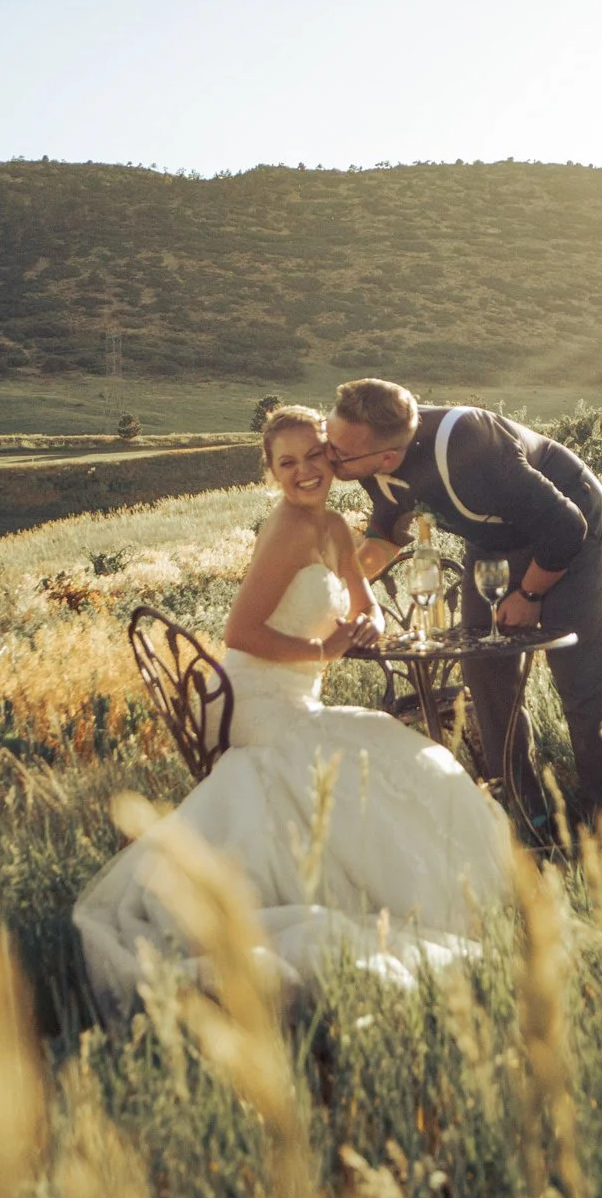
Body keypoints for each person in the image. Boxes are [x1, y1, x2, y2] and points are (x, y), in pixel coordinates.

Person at [73, 405, 512, 1013]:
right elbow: (242, 632)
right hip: (255, 699)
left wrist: (364, 626)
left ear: (333, 456)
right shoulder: (284, 530)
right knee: (386, 755)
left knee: (399, 753)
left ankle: (451, 896)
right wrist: (324, 646)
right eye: (288, 462)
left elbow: (367, 605)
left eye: (314, 455)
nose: (304, 471)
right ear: (272, 472)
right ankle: (395, 903)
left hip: (299, 696)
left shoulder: (333, 526)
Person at [322, 378, 602, 838]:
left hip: (568, 523)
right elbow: (386, 531)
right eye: (330, 440)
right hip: (493, 541)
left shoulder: (470, 444)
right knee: (484, 671)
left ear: (385, 455)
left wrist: (530, 595)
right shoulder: (363, 458)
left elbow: (565, 524)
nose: (329, 456)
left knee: (579, 671)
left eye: (339, 452)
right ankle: (528, 815)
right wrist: (338, 589)